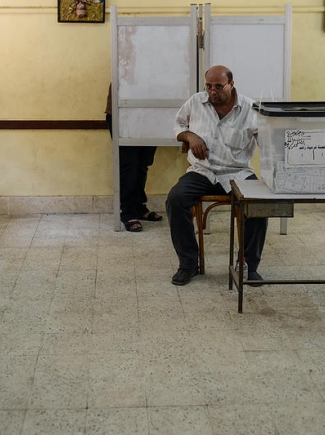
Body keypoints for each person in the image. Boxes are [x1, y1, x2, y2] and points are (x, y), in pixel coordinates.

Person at [165, 65, 268, 286]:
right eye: (209, 86)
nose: (212, 91)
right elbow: (178, 125)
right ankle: (188, 264)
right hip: (203, 171)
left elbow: (267, 143)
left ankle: (248, 266)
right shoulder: (196, 102)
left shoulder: (250, 109)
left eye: (219, 87)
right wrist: (190, 136)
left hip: (237, 172)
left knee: (259, 203)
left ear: (231, 85)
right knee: (176, 199)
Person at [106, 85, 160, 232]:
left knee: (143, 164)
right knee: (129, 166)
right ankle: (128, 212)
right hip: (123, 112)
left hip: (149, 113)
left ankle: (138, 207)